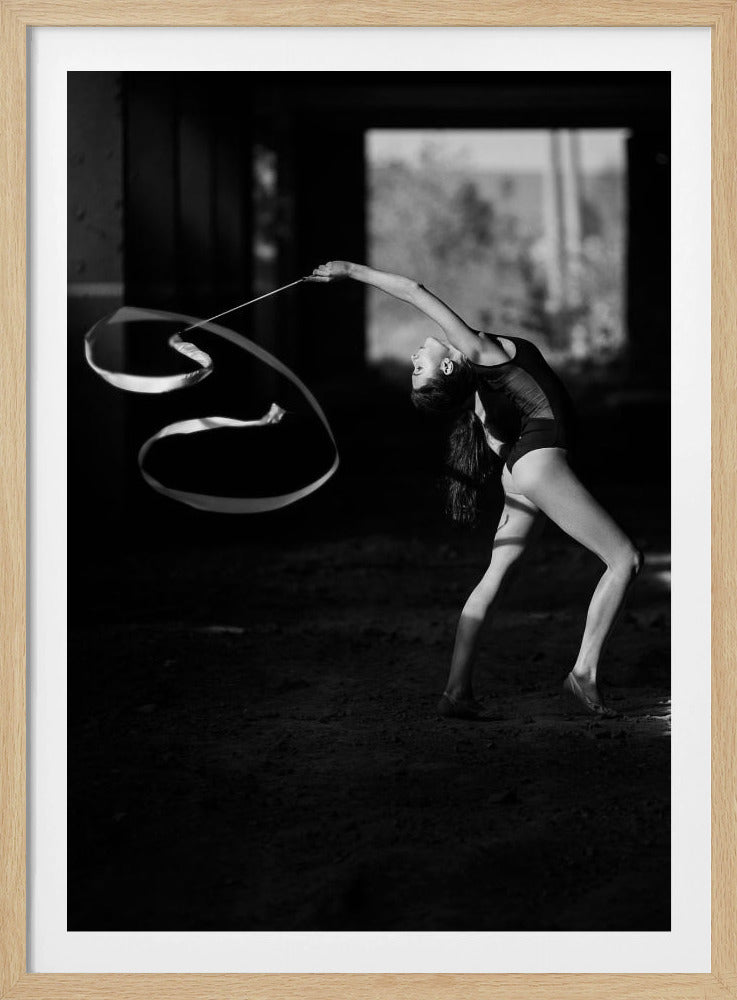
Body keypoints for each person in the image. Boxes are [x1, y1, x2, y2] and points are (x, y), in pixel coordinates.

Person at [308, 261, 643, 719]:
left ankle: (455, 692)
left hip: (523, 468)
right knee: (624, 560)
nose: (412, 358)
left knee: (495, 577)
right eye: (420, 367)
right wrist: (349, 270)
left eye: (413, 367)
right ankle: (582, 673)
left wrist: (524, 470)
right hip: (538, 466)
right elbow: (413, 290)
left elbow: (497, 439)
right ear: (448, 363)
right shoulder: (478, 350)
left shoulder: (481, 389)